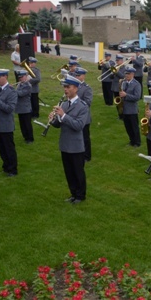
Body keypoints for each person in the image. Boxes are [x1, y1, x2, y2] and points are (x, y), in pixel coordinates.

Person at [50, 75, 89, 204]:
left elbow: (78, 126)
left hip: (76, 145)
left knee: (78, 171)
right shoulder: (65, 104)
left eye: (68, 87)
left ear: (76, 89)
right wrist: (52, 120)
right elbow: (58, 124)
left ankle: (80, 195)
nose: (65, 90)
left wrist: (64, 115)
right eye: (65, 87)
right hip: (65, 143)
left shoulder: (82, 106)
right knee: (69, 172)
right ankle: (73, 193)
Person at [120, 67, 142, 147]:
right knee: (128, 127)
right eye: (126, 73)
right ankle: (131, 140)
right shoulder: (124, 82)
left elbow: (137, 97)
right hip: (125, 108)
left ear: (132, 74)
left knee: (134, 127)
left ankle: (137, 142)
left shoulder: (136, 84)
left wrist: (126, 95)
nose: (126, 75)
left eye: (128, 74)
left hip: (132, 109)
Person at [75, 67, 93, 161]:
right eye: (76, 75)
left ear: (83, 76)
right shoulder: (74, 86)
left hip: (83, 117)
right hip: (75, 116)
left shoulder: (87, 88)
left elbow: (88, 102)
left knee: (85, 138)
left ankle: (87, 156)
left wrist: (76, 102)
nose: (77, 77)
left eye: (79, 75)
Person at [14, 70, 33, 144]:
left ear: (25, 77)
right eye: (19, 77)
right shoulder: (20, 84)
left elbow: (20, 94)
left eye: (21, 77)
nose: (20, 79)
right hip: (20, 108)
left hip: (26, 108)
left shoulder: (28, 85)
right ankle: (25, 137)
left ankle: (30, 138)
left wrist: (12, 90)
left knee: (27, 124)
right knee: (22, 124)